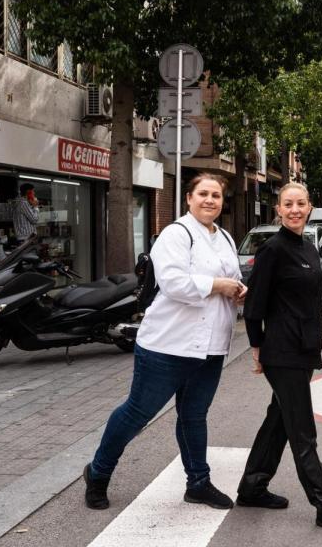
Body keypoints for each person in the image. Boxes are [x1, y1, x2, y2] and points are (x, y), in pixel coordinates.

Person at [83, 173, 246, 511]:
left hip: (212, 347)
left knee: (194, 415)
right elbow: (174, 283)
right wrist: (219, 285)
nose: (210, 201)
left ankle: (198, 483)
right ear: (189, 198)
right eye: (203, 194)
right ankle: (98, 473)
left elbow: (234, 277)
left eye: (216, 195)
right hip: (167, 346)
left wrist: (239, 289)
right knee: (136, 413)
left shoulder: (226, 237)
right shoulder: (176, 233)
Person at [236, 182, 322, 534]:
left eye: (301, 204)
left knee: (279, 420)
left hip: (305, 349)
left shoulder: (309, 248)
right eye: (287, 204)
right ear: (278, 209)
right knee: (302, 432)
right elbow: (254, 307)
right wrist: (256, 347)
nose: (294, 210)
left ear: (310, 207)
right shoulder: (273, 250)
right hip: (282, 353)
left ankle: (252, 487)